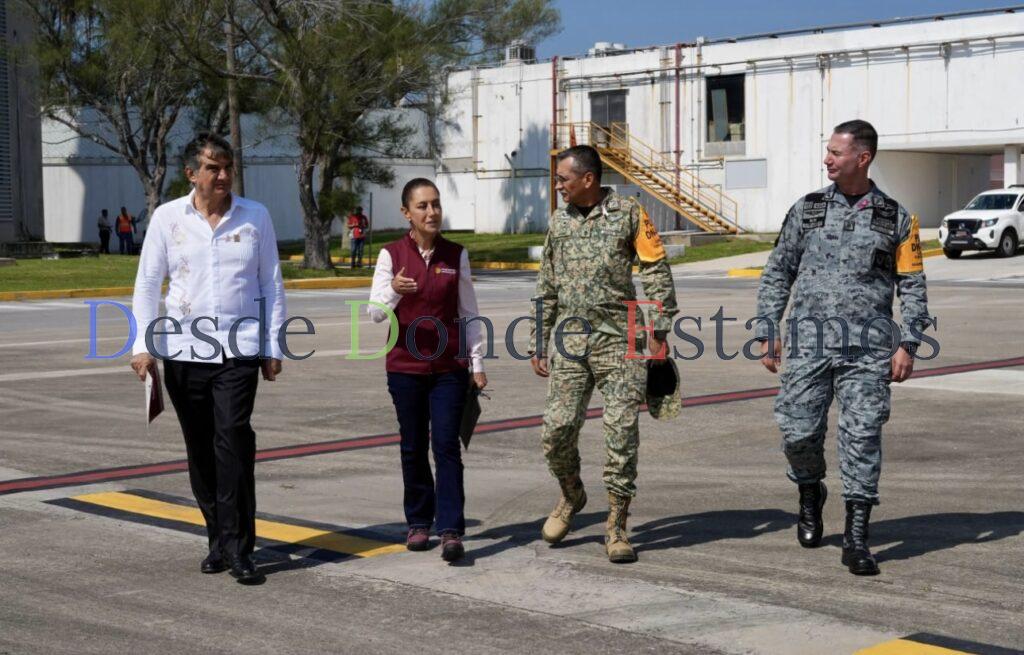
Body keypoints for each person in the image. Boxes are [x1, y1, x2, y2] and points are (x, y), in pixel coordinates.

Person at [755, 119, 930, 576]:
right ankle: (810, 493)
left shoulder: (896, 218)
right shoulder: (806, 209)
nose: (826, 159)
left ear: (862, 158)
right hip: (808, 345)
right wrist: (767, 329)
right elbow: (778, 271)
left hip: (868, 352)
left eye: (835, 152)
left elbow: (912, 285)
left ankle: (856, 537)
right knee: (797, 432)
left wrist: (907, 342)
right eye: (827, 151)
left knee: (862, 437)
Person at [129, 132, 286, 585]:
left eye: (227, 167)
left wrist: (273, 346)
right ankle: (217, 539)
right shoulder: (167, 219)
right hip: (184, 351)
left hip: (239, 349)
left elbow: (271, 283)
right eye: (213, 168)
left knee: (233, 439)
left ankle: (240, 549)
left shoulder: (255, 216)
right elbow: (147, 284)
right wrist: (142, 345)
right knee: (200, 447)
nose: (222, 176)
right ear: (191, 173)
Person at [529, 145, 679, 564]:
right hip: (571, 342)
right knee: (556, 431)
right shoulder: (559, 222)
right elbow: (546, 284)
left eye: (563, 179)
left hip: (621, 341)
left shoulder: (629, 213)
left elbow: (655, 269)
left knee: (620, 434)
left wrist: (659, 329)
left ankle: (616, 526)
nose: (557, 186)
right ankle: (572, 496)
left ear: (588, 179)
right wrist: (538, 339)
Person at [367, 178, 487, 563]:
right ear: (407, 213)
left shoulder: (456, 254)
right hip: (404, 367)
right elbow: (373, 314)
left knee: (447, 446)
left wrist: (477, 362)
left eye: (435, 204)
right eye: (422, 206)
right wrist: (395, 291)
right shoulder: (391, 255)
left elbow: (469, 312)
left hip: (449, 367)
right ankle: (419, 522)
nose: (432, 212)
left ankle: (451, 528)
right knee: (413, 446)